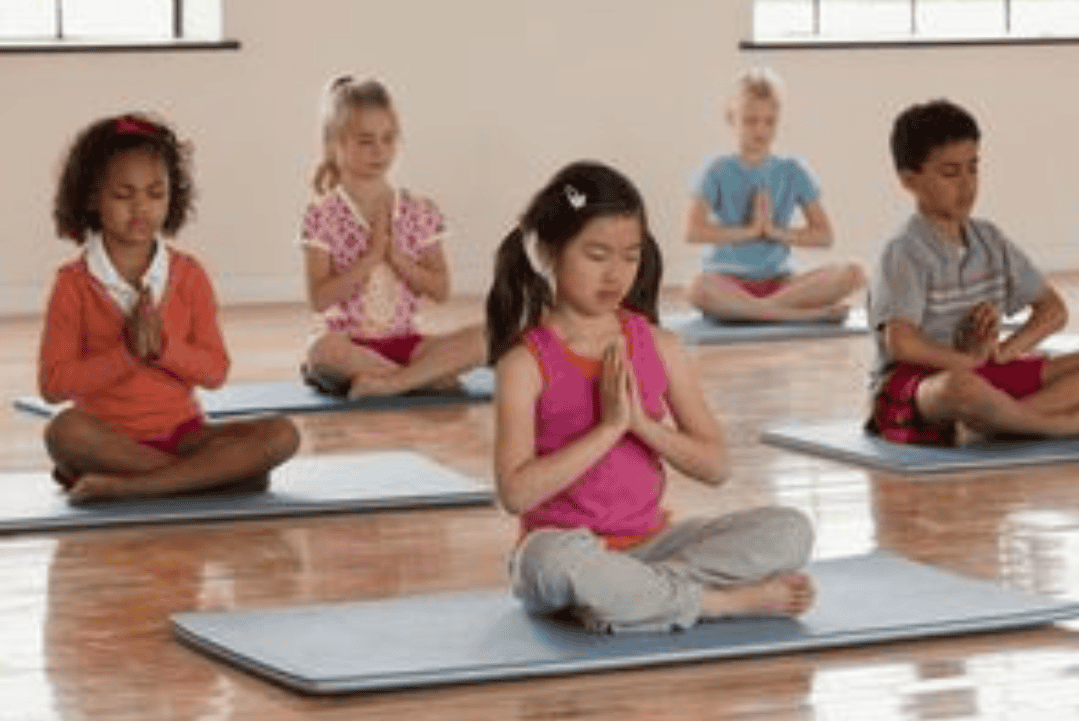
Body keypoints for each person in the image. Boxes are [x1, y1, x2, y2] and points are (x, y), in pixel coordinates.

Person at [488, 160, 815, 633]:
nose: (615, 274)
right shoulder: (524, 364)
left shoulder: (661, 347)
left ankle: (630, 596)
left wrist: (642, 424)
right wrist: (609, 428)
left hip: (655, 543)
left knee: (790, 530)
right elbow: (515, 494)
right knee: (546, 560)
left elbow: (716, 466)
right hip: (567, 552)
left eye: (630, 256)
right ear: (550, 252)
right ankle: (716, 603)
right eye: (597, 255)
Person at [39, 114, 299, 504]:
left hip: (185, 436)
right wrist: (127, 355)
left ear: (171, 196)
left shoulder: (190, 276)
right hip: (106, 438)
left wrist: (162, 348)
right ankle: (213, 479)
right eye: (124, 195)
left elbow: (215, 372)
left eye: (155, 194)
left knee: (283, 433)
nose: (141, 208)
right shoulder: (72, 284)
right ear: (92, 196)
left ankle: (135, 484)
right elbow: (53, 384)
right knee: (62, 432)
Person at [866, 100, 1079, 447]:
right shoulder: (903, 251)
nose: (966, 185)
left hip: (987, 371)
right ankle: (1055, 425)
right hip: (926, 386)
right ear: (909, 180)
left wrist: (1006, 351)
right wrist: (966, 361)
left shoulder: (991, 240)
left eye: (973, 168)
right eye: (950, 173)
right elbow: (901, 343)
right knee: (960, 386)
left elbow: (1053, 311)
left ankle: (1003, 421)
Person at [300, 76, 484, 398]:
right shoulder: (321, 216)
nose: (380, 151)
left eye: (388, 139)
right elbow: (319, 298)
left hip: (409, 344)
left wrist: (397, 260)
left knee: (487, 338)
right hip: (349, 345)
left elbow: (440, 290)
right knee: (321, 351)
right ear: (335, 143)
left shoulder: (421, 211)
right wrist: (369, 259)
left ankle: (391, 383)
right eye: (366, 141)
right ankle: (424, 380)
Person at [684, 67, 865, 322]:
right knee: (696, 289)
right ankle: (796, 316)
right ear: (730, 118)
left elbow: (824, 236)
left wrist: (773, 231)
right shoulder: (716, 169)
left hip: (782, 284)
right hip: (727, 283)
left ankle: (755, 312)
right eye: (750, 121)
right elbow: (693, 231)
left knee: (855, 273)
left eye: (769, 122)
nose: (761, 130)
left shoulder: (793, 170)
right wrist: (750, 231)